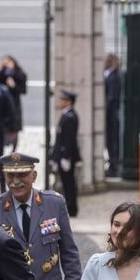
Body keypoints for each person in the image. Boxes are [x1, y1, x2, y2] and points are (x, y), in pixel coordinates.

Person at [51, 89, 81, 217]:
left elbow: (69, 139)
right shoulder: (67, 115)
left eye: (63, 100)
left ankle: (71, 207)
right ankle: (69, 206)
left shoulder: (70, 117)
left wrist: (65, 156)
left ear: (68, 102)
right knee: (66, 182)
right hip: (63, 155)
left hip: (66, 156)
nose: (60, 101)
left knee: (69, 183)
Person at [0, 56, 27, 151]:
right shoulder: (2, 73)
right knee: (3, 128)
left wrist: (13, 85)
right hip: (3, 106)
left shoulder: (19, 74)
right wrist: (2, 70)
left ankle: (13, 150)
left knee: (14, 128)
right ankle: (2, 148)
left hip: (15, 105)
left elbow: (23, 90)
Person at [104, 54, 121, 177]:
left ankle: (114, 166)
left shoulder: (113, 76)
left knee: (112, 141)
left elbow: (112, 98)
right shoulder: (109, 74)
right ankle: (112, 164)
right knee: (110, 141)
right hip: (111, 114)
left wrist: (107, 113)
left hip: (111, 115)